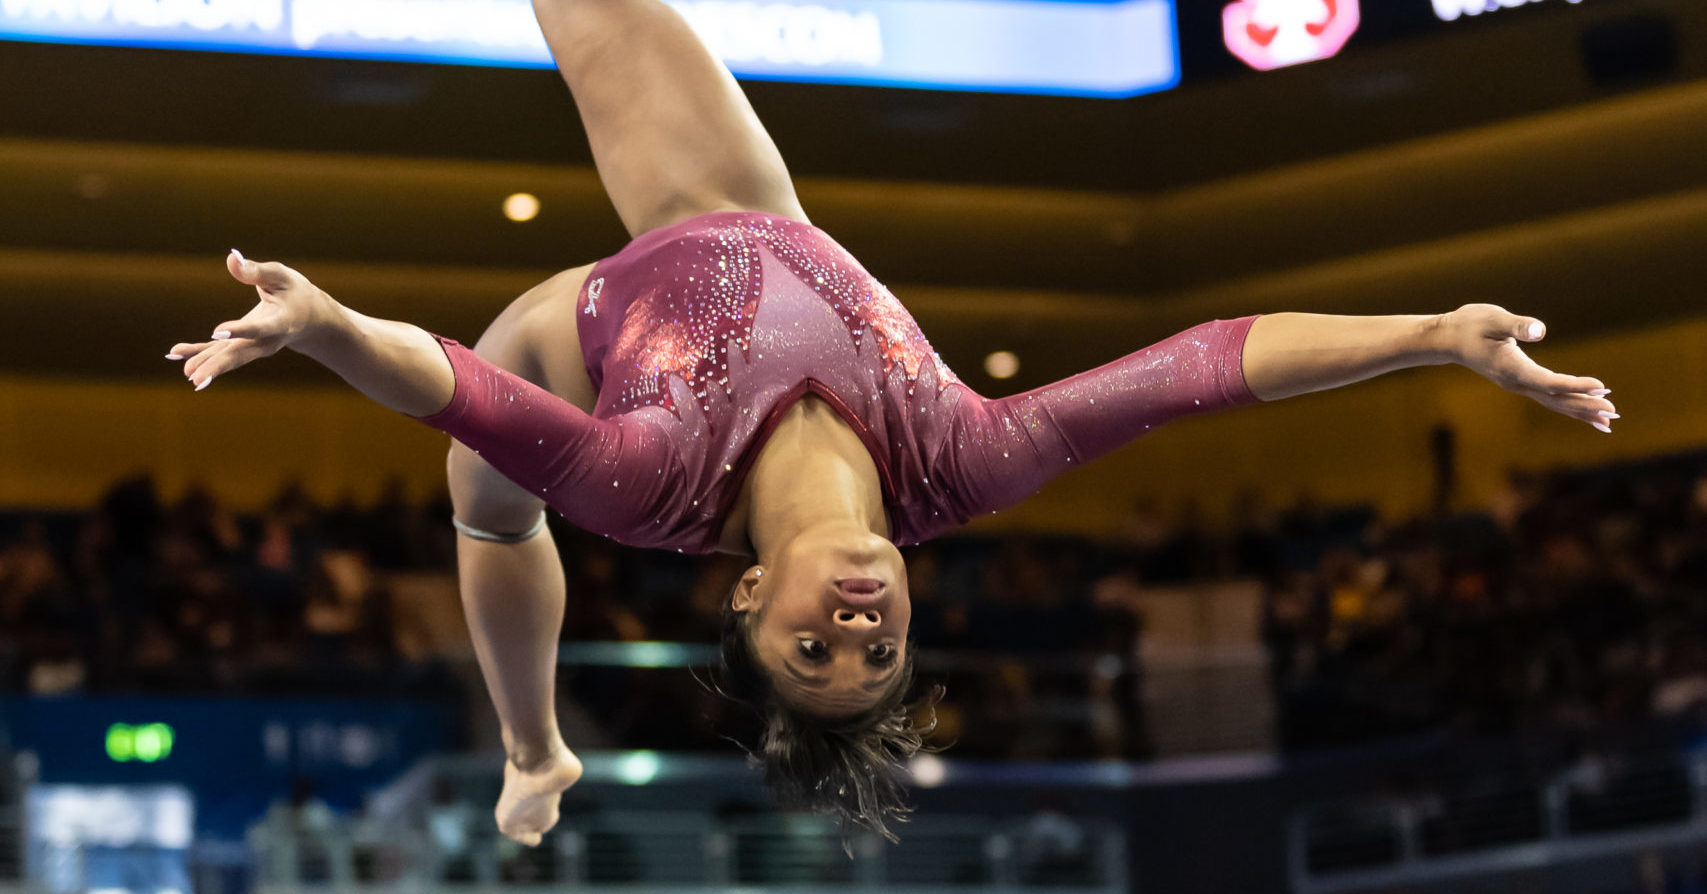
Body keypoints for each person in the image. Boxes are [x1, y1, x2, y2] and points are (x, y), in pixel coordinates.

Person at [167, 0, 1619, 848]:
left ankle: (529, 737)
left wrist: (321, 323)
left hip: (581, 328)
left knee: (487, 491)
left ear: (745, 597)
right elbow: (1211, 363)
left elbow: (451, 379)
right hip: (735, 217)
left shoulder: (648, 481)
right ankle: (539, 757)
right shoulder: (963, 457)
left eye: (816, 648)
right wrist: (1434, 334)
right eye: (879, 649)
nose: (857, 623)